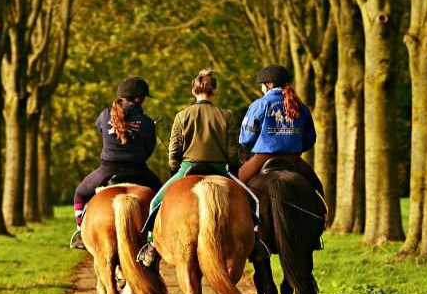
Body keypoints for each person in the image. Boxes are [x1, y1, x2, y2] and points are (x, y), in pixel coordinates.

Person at [136, 69, 267, 266]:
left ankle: (151, 246)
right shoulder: (227, 115)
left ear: (193, 91)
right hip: (219, 168)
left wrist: (174, 169)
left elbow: (174, 149)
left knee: (155, 202)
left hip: (188, 168)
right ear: (214, 91)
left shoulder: (182, 115)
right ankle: (255, 242)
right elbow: (232, 149)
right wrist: (232, 167)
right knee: (253, 202)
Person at [70, 77, 163, 250]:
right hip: (139, 171)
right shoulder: (147, 122)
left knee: (80, 194)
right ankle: (156, 236)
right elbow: (149, 149)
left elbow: (101, 130)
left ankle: (80, 231)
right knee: (162, 196)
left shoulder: (105, 114)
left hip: (107, 169)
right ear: (139, 98)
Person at [238, 65, 324, 194]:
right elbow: (310, 137)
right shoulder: (301, 106)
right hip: (293, 157)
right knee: (318, 189)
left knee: (236, 185)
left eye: (262, 84)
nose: (261, 88)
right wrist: (296, 147)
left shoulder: (260, 104)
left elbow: (246, 137)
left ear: (270, 84)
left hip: (263, 157)